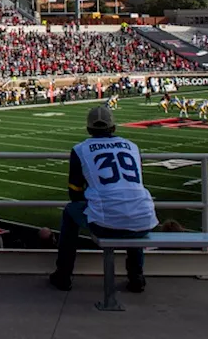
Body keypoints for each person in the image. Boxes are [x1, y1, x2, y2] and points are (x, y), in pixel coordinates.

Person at [49, 106, 158, 293]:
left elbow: (74, 193)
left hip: (106, 223)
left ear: (89, 129)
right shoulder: (133, 147)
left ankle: (63, 274)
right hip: (144, 218)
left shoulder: (80, 150)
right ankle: (136, 275)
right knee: (131, 208)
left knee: (70, 212)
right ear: (114, 127)